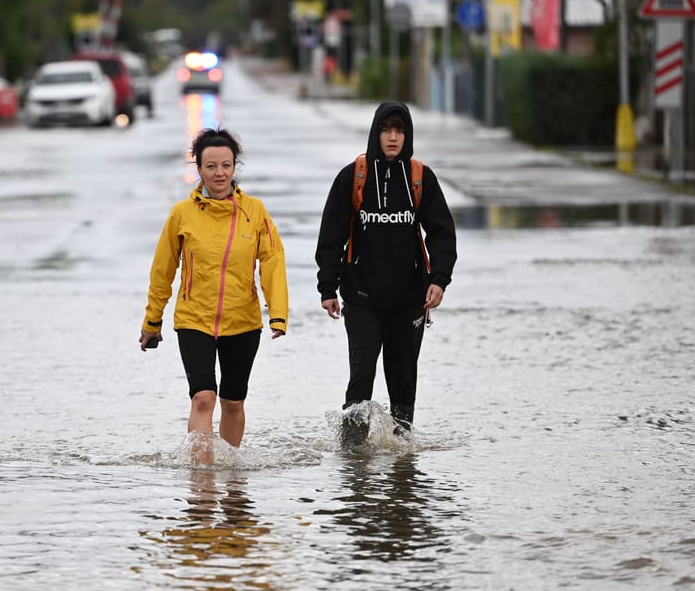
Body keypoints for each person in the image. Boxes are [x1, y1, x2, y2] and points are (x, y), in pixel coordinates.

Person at [140, 128, 288, 464]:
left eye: (226, 165)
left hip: (243, 321)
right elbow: (163, 270)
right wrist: (152, 320)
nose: (219, 173)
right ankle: (202, 478)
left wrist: (278, 313)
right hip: (194, 319)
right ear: (199, 169)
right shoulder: (182, 214)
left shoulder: (255, 211)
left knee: (233, 402)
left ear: (235, 167)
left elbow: (272, 262)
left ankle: (231, 473)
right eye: (211, 166)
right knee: (204, 398)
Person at [315, 101, 457, 447]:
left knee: (403, 378)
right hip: (362, 298)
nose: (392, 137)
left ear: (407, 135)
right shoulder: (354, 177)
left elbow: (442, 232)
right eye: (386, 130)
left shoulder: (420, 177)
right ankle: (352, 452)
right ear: (375, 133)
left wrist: (439, 278)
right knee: (361, 377)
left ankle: (403, 453)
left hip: (409, 300)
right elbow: (332, 236)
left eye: (400, 131)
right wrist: (328, 288)